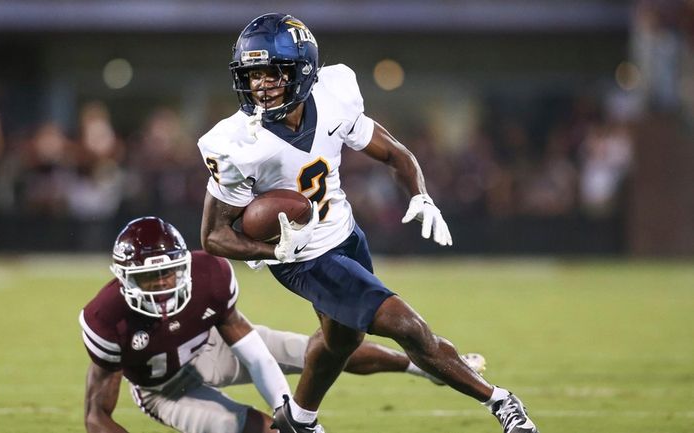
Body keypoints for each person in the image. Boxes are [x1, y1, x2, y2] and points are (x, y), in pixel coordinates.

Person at [198, 13, 539, 433]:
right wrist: (273, 251)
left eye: (272, 73)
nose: (260, 85)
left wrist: (421, 194)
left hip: (345, 234)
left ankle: (298, 420)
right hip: (303, 258)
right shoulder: (235, 143)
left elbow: (394, 153)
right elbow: (214, 235)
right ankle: (502, 403)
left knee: (340, 341)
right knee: (405, 325)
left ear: (303, 71)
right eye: (252, 75)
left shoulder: (334, 96)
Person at [80, 216, 487, 433]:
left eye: (168, 273)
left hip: (209, 347)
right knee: (229, 426)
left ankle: (423, 367)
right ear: (123, 278)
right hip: (164, 388)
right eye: (148, 279)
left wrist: (285, 408)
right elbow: (96, 416)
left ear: (185, 265)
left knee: (310, 350)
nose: (162, 286)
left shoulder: (210, 273)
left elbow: (250, 348)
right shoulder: (105, 316)